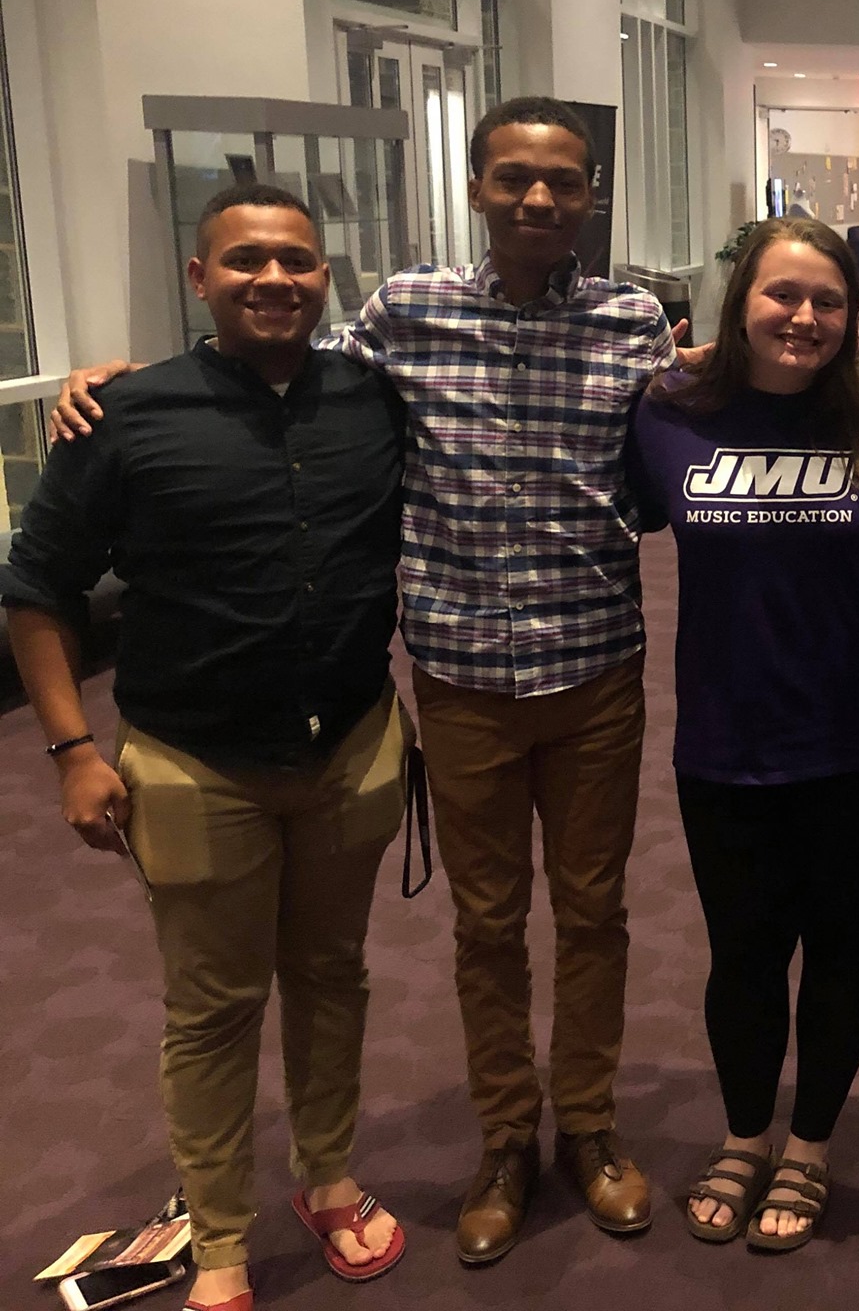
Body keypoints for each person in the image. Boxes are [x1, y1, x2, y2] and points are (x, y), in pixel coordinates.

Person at [51, 97, 678, 1264]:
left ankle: (587, 1126)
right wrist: (123, 385)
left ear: (589, 195)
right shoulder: (406, 313)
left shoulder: (635, 322)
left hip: (594, 670)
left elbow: (714, 398)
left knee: (594, 913)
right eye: (513, 180)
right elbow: (271, 369)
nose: (538, 200)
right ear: (478, 191)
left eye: (562, 181)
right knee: (488, 923)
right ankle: (505, 1138)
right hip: (460, 677)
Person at [3, 185, 411, 1311]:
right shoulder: (125, 416)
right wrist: (72, 751)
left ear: (326, 274)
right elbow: (37, 588)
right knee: (215, 1004)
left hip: (353, 748)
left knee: (333, 977)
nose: (272, 279)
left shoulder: (378, 398)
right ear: (199, 279)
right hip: (193, 764)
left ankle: (326, 1178)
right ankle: (220, 1234)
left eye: (296, 260)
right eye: (244, 262)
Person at [630, 217, 859, 1253]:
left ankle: (809, 1144)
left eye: (827, 301)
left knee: (843, 945)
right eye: (781, 295)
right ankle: (745, 1132)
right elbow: (617, 505)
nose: (804, 317)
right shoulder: (669, 412)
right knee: (743, 952)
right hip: (724, 739)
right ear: (738, 304)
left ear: (849, 318)